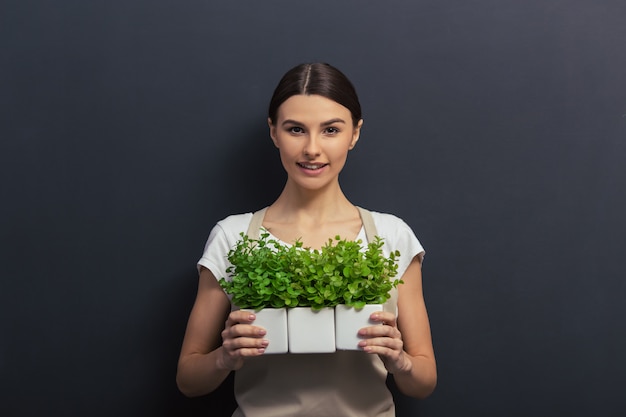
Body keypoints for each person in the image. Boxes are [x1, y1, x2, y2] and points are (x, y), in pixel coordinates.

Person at [176, 62, 437, 416]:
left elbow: (423, 382)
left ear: (355, 134)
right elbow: (188, 380)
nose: (312, 148)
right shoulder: (233, 236)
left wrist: (400, 360)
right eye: (296, 129)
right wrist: (225, 356)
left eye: (331, 130)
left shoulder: (392, 236)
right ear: (273, 133)